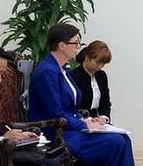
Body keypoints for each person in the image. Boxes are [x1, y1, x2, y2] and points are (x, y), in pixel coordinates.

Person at [28, 24, 134, 166]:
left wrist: (87, 121)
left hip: (71, 127)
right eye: (75, 42)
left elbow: (71, 108)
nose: (78, 46)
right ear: (62, 45)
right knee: (116, 142)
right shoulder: (47, 71)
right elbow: (55, 113)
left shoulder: (61, 69)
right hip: (57, 133)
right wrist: (83, 124)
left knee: (123, 138)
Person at [69, 40, 113, 123]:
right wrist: (89, 119)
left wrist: (104, 117)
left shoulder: (102, 76)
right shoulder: (74, 76)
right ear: (87, 57)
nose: (100, 67)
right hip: (81, 121)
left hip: (99, 121)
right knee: (115, 137)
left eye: (103, 64)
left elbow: (106, 102)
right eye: (97, 62)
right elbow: (72, 106)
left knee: (123, 136)